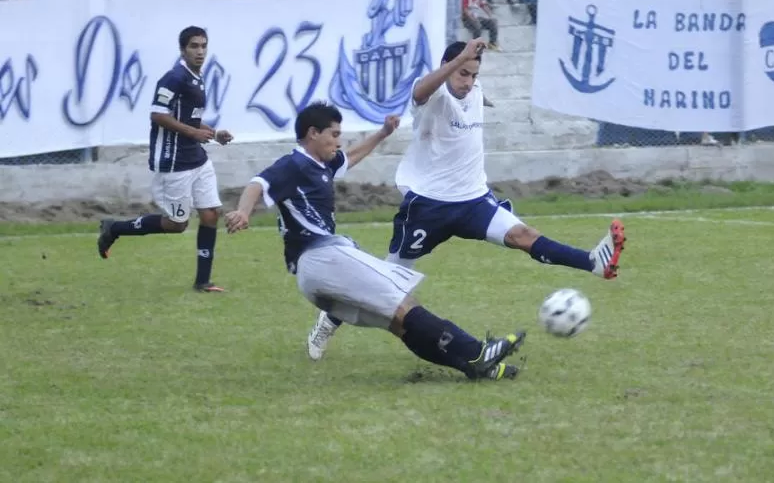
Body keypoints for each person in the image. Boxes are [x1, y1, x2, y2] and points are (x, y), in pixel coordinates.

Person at [304, 40, 626, 359]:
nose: (468, 81)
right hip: (428, 206)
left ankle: (594, 262)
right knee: (389, 285)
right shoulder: (434, 95)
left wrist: (477, 81)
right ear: (449, 68)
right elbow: (418, 92)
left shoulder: (473, 89)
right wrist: (457, 62)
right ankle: (331, 318)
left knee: (523, 236)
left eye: (473, 75)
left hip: (474, 201)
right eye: (462, 74)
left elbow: (473, 92)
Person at [225, 102, 525, 381]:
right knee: (404, 305)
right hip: (323, 257)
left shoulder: (320, 166)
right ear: (312, 134)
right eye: (334, 135)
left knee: (398, 323)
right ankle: (476, 351)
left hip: (311, 277)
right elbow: (258, 184)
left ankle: (472, 367)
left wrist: (382, 133)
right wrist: (243, 210)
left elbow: (350, 158)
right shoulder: (294, 164)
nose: (338, 142)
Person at [97, 26, 234, 293]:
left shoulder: (197, 77)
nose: (200, 51)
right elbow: (158, 115)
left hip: (196, 157)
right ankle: (115, 229)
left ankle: (203, 282)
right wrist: (194, 132)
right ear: (183, 49)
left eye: (203, 46)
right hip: (173, 161)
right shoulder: (174, 78)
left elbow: (189, 118)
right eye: (194, 46)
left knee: (209, 214)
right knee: (176, 224)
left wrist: (214, 133)